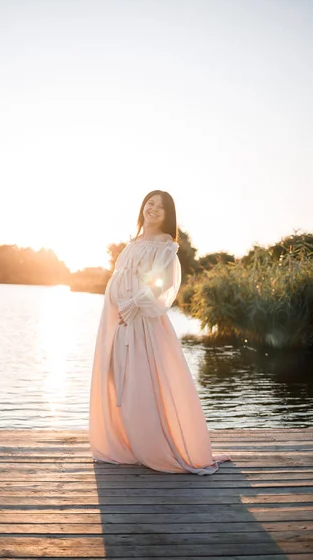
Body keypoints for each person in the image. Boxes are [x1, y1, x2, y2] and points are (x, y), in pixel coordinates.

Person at [89, 190, 231, 475]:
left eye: (160, 207)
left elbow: (163, 283)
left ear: (168, 216)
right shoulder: (134, 241)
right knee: (117, 378)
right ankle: (127, 442)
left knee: (141, 381)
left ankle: (153, 445)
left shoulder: (166, 245)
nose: (153, 209)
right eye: (149, 203)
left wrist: (133, 303)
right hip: (116, 319)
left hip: (140, 320)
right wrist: (117, 305)